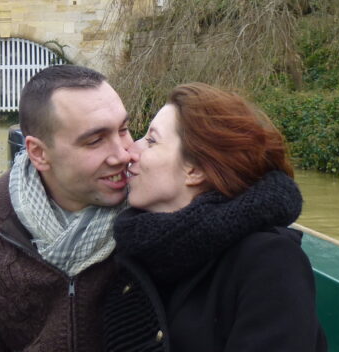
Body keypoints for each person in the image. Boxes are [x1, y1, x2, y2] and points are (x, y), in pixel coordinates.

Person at [103, 83, 326, 351]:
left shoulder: (269, 261)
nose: (130, 152)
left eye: (151, 140)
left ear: (195, 170)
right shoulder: (137, 251)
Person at [0, 64, 133, 351]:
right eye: (95, 141)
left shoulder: (155, 213)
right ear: (39, 153)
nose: (123, 154)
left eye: (124, 129)